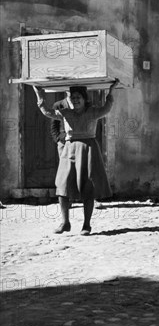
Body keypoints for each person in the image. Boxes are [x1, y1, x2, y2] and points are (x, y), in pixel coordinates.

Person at [33, 80, 119, 235]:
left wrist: (111, 90)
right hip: (69, 150)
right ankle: (65, 222)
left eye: (78, 97)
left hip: (88, 150)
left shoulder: (93, 112)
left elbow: (107, 107)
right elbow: (47, 112)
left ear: (85, 98)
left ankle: (86, 225)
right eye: (73, 97)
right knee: (62, 185)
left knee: (88, 187)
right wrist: (39, 94)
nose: (75, 100)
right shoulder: (65, 113)